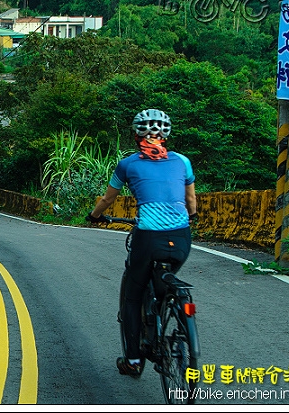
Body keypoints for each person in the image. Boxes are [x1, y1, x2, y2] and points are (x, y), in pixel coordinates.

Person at [86, 108, 197, 377]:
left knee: (133, 298)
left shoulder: (127, 165)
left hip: (148, 237)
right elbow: (191, 202)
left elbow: (107, 199)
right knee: (164, 278)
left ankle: (134, 360)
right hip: (181, 239)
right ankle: (168, 308)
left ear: (136, 134)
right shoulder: (183, 161)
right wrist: (190, 218)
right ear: (166, 134)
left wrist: (94, 216)